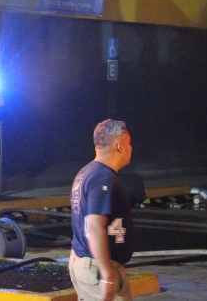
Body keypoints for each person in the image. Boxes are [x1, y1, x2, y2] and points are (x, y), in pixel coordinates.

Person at [69, 119, 135, 301]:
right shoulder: (103, 178)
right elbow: (94, 227)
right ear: (119, 146)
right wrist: (107, 273)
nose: (131, 148)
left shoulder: (87, 172)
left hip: (84, 262)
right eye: (128, 143)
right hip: (97, 267)